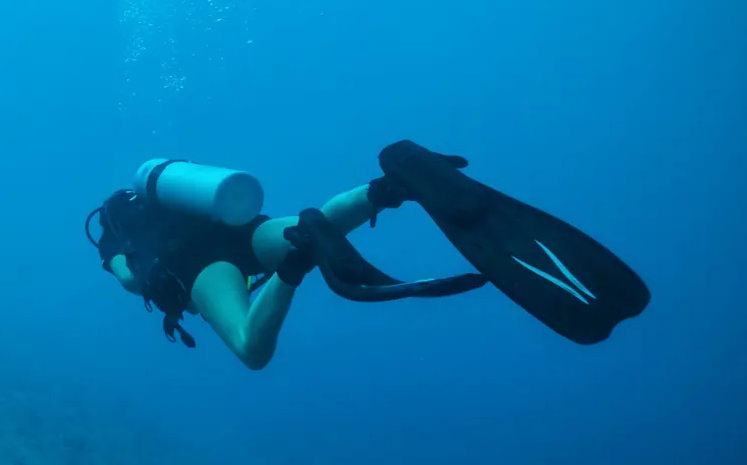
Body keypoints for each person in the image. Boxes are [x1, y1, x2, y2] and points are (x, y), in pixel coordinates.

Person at [87, 141, 650, 369]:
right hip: (243, 227)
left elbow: (133, 283)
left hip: (201, 266)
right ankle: (386, 189)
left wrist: (132, 269)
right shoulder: (176, 192)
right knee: (312, 224)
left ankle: (295, 264)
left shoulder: (116, 234)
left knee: (252, 348)